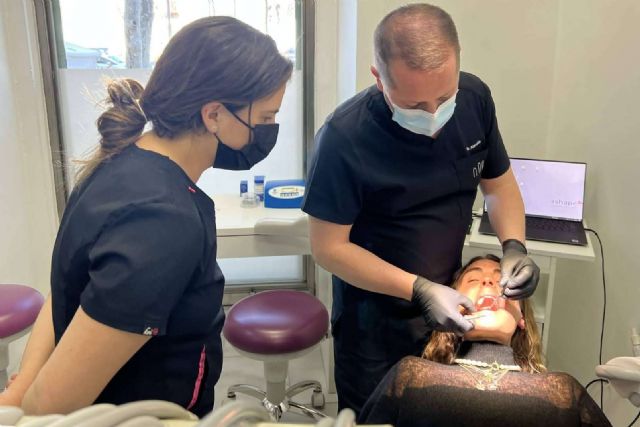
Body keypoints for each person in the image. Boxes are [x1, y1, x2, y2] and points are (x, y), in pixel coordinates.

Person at [0, 17, 292, 416]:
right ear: (213, 115)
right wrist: (25, 399)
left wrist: (22, 384)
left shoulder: (123, 160)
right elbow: (50, 404)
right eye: (264, 119)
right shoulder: (161, 222)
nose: (270, 131)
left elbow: (70, 293)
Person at [302, 3, 540, 414]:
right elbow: (329, 249)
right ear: (379, 78)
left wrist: (514, 245)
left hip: (450, 306)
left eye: (444, 98)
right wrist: (418, 288)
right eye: (414, 106)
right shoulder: (343, 139)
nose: (434, 115)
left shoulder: (476, 99)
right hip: (374, 323)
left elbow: (499, 186)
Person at [358, 255, 612, 427]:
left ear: (521, 318)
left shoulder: (563, 391)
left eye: (500, 279)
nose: (489, 281)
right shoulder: (411, 376)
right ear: (449, 310)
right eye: (473, 279)